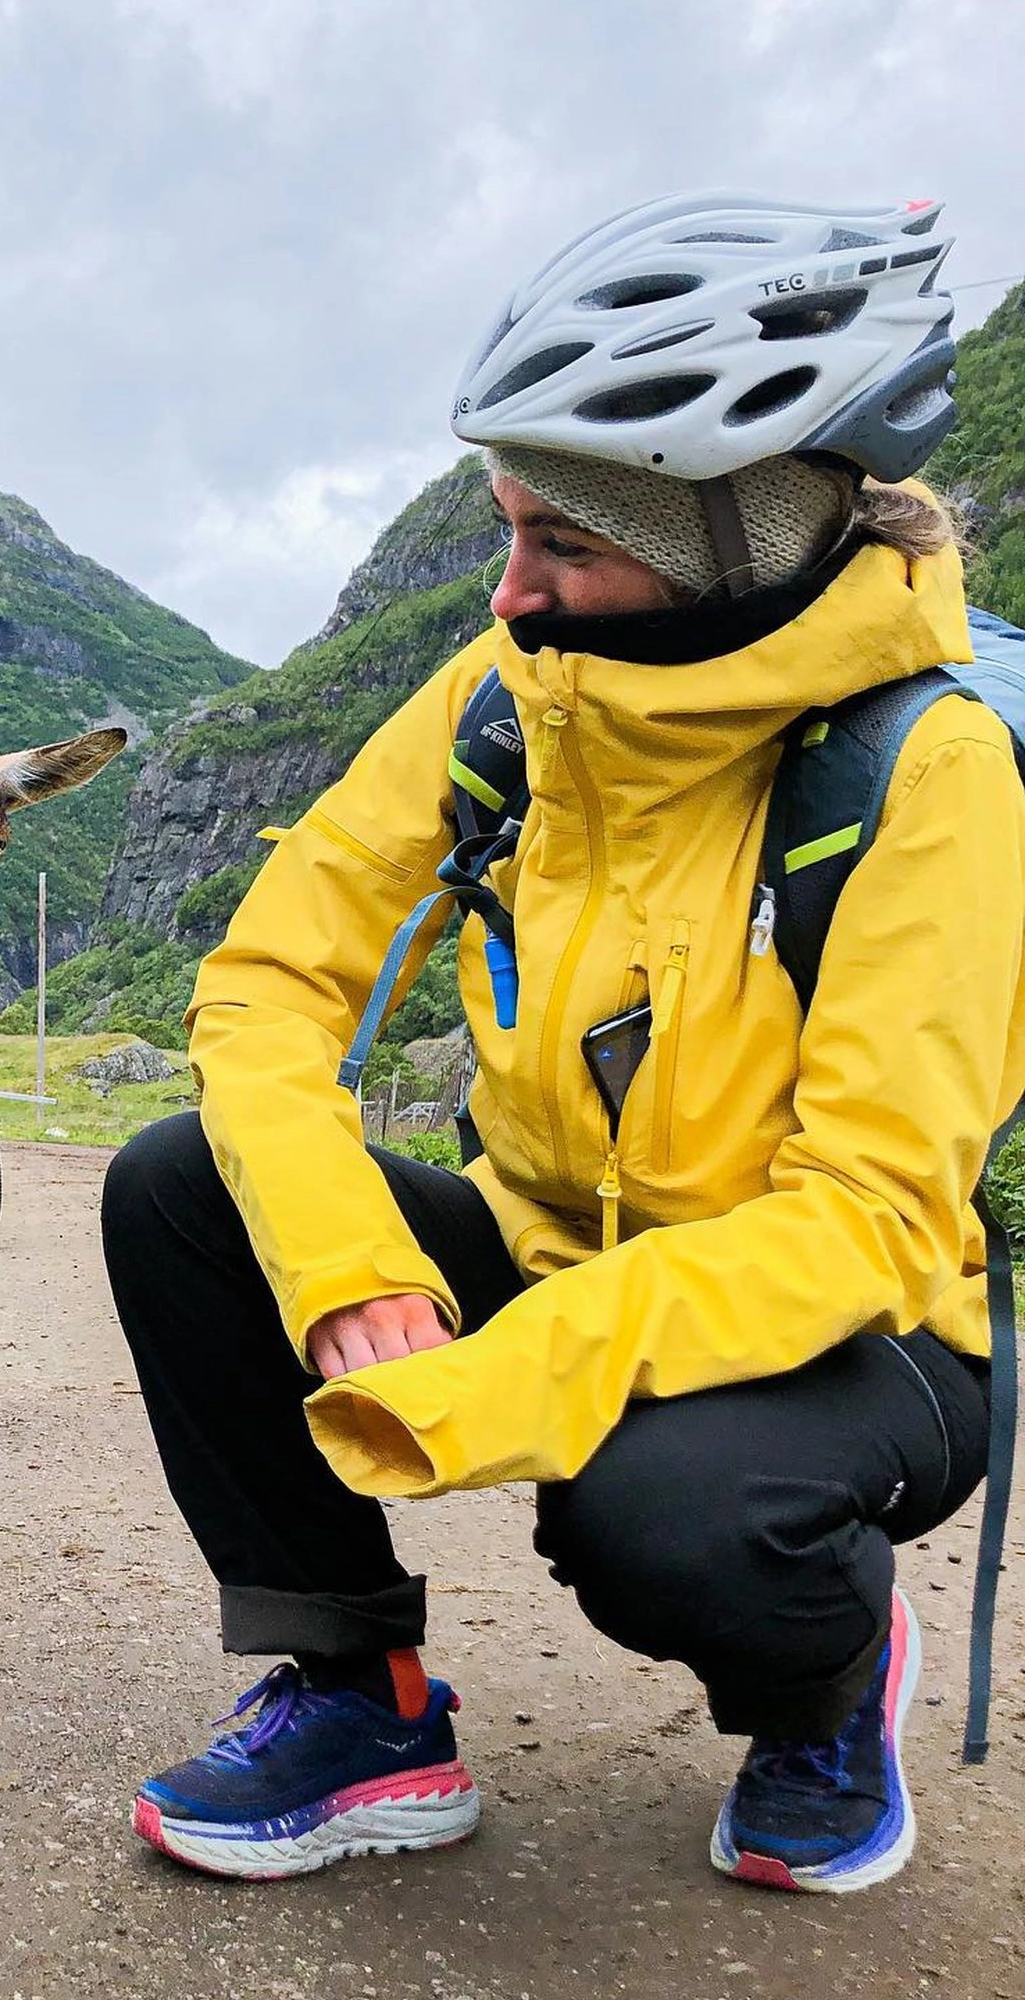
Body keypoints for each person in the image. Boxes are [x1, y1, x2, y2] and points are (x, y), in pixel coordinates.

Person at [102, 191, 1025, 1895]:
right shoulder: (509, 692)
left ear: (731, 544)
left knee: (660, 1517)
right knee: (175, 1190)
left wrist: (491, 1387)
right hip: (551, 1237)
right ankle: (361, 1699)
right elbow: (268, 981)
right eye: (505, 527)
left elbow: (873, 1215)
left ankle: (824, 1694)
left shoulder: (932, 773)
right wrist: (340, 1263)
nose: (511, 593)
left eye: (565, 546)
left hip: (862, 1326)